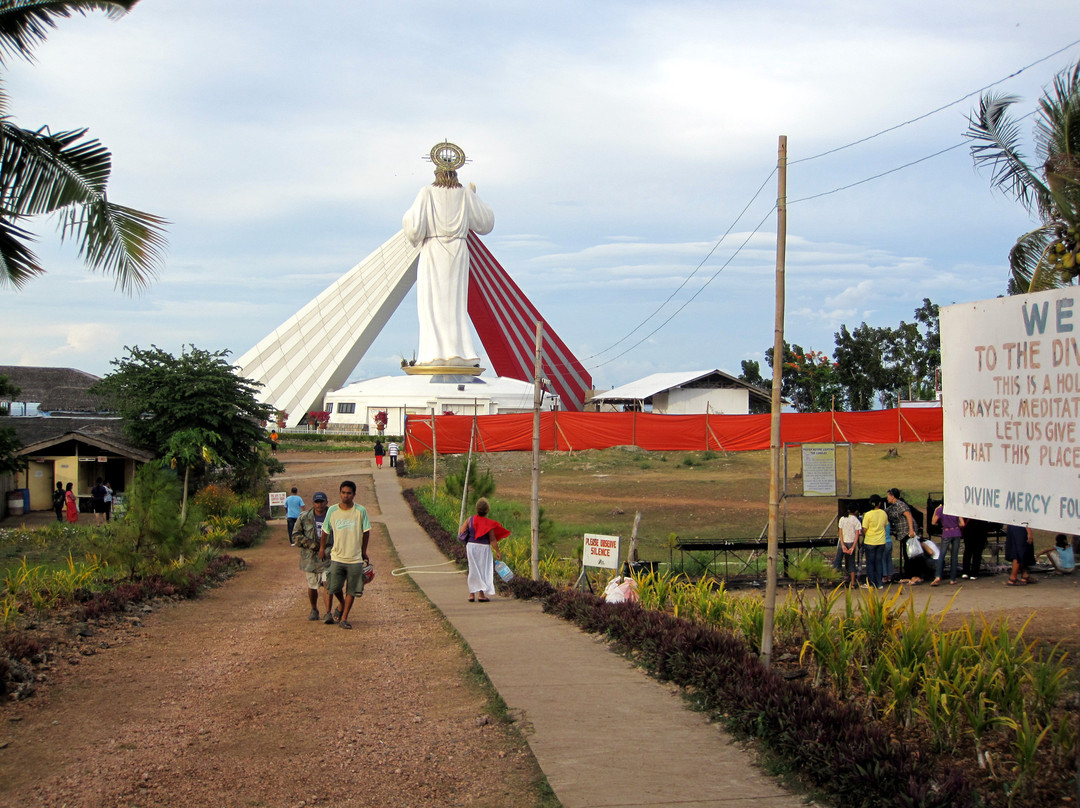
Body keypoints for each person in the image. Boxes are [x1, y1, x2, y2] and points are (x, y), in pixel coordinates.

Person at [402, 142, 495, 367]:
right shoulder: (465, 194)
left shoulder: (426, 192)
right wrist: (474, 196)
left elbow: (413, 227)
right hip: (458, 251)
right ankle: (458, 351)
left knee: (432, 304)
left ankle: (433, 353)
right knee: (455, 305)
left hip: (433, 251)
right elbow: (485, 223)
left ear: (437, 173)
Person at [320, 480, 371, 629]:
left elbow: (366, 531)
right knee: (333, 586)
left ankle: (344, 618)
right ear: (340, 493)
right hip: (337, 557)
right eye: (343, 493)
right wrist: (322, 548)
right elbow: (325, 530)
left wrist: (363, 551)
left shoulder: (360, 511)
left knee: (352, 589)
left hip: (355, 558)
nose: (346, 496)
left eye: (349, 493)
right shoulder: (332, 511)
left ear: (354, 494)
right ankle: (341, 604)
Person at [294, 492, 345, 621]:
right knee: (312, 586)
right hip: (310, 558)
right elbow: (295, 536)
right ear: (313, 503)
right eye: (317, 502)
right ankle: (314, 609)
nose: (319, 505)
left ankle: (328, 612)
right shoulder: (304, 517)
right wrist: (312, 545)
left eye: (322, 502)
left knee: (328, 583)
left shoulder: (334, 516)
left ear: (326, 502)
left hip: (329, 556)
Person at [459, 497, 510, 602]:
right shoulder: (489, 524)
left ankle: (471, 594)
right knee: (483, 570)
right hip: (484, 548)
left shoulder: (470, 520)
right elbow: (492, 539)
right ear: (487, 510)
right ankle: (481, 595)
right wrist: (497, 551)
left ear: (477, 508)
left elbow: (461, 531)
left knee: (473, 569)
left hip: (471, 546)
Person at [885, 488, 917, 582]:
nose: (887, 498)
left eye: (888, 496)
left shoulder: (900, 505)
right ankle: (908, 574)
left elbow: (908, 515)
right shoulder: (892, 507)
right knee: (905, 554)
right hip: (901, 533)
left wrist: (911, 530)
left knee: (909, 554)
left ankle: (911, 575)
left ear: (892, 496)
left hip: (906, 531)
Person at [930, 501, 964, 586]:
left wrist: (935, 510)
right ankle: (953, 579)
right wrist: (956, 525)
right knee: (954, 556)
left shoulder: (940, 509)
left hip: (946, 532)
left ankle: (938, 576)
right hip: (956, 532)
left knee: (942, 555)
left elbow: (933, 522)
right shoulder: (956, 509)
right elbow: (962, 524)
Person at [860, 495, 888, 590]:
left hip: (870, 540)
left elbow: (864, 529)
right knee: (878, 562)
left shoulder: (868, 515)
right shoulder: (883, 513)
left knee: (870, 563)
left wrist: (864, 535)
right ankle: (879, 583)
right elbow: (885, 525)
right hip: (881, 541)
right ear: (879, 503)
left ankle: (871, 583)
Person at [837, 504, 861, 587]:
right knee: (851, 563)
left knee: (838, 561)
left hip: (842, 542)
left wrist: (842, 544)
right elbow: (857, 535)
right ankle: (853, 583)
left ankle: (832, 579)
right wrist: (853, 547)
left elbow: (840, 533)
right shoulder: (856, 521)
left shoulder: (842, 519)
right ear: (856, 511)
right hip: (851, 542)